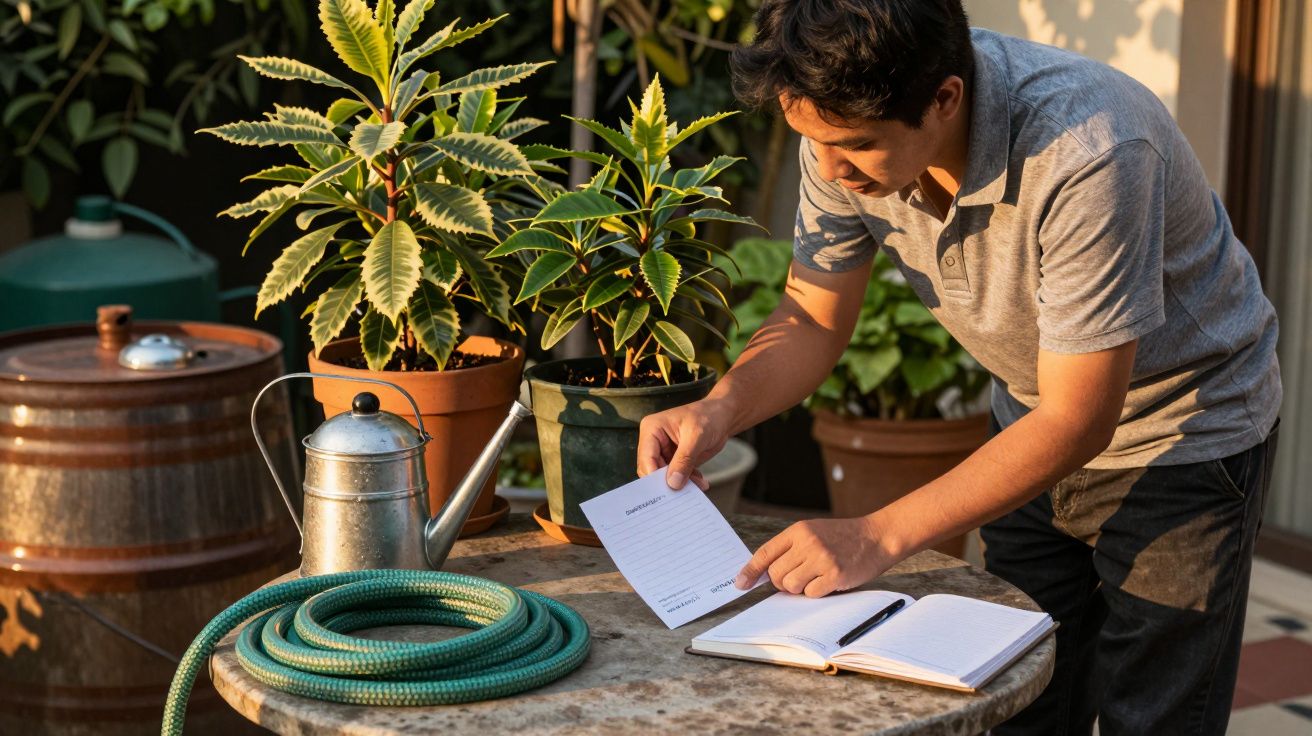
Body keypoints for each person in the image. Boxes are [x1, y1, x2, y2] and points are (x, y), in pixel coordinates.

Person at [634, 1, 1282, 734]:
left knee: (1152, 715)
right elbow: (813, 313)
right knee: (1011, 696)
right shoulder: (840, 136)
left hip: (1184, 439)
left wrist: (874, 536)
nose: (829, 170)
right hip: (1031, 423)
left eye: (854, 147)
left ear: (945, 98)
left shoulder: (1091, 148)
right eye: (811, 142)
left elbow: (1081, 416)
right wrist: (721, 407)